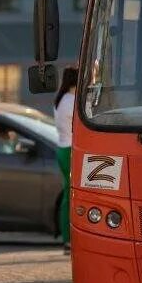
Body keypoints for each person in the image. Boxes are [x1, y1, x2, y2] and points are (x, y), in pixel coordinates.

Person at [54, 65, 78, 255]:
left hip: (62, 149)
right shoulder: (72, 101)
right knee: (71, 196)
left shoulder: (60, 100)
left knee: (66, 195)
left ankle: (66, 239)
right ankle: (69, 239)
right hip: (70, 150)